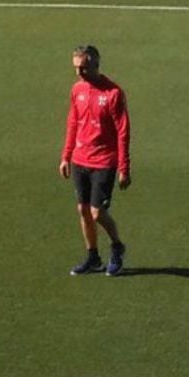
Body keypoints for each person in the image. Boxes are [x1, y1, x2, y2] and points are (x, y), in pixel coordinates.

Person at [59, 45, 130, 277]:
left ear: (95, 65)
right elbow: (73, 123)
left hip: (104, 161)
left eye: (83, 67)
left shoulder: (113, 94)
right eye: (76, 68)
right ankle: (93, 257)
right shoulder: (77, 90)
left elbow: (123, 131)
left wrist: (124, 167)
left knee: (97, 212)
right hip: (80, 158)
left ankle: (117, 247)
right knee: (83, 210)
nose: (79, 72)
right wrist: (66, 156)